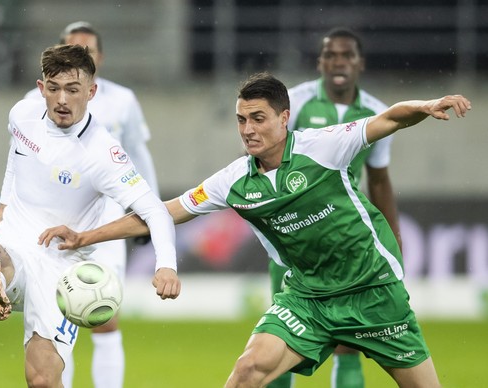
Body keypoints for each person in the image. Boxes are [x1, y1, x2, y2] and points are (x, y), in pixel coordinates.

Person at [39, 72, 471, 387]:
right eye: (241, 119)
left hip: (373, 292)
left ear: (285, 118)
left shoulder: (323, 146)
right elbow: (161, 211)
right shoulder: (234, 181)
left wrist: (427, 107)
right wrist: (85, 236)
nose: (248, 129)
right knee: (246, 372)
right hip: (309, 299)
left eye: (259, 118)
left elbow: (388, 120)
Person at [0, 44, 180, 388]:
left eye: (73, 90)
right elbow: (15, 153)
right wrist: (5, 202)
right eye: (54, 88)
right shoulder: (21, 115)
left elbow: (154, 209)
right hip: (15, 247)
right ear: (40, 88)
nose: (62, 99)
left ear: (91, 92)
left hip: (60, 270)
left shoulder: (103, 153)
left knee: (42, 381)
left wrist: (166, 263)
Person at [21, 21, 160, 388]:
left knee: (101, 313)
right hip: (56, 219)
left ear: (99, 58)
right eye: (73, 48)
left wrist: (148, 210)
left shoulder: (122, 100)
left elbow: (139, 156)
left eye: (89, 50)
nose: (82, 54)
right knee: (58, 312)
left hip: (108, 217)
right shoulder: (36, 103)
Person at [267, 27, 401, 388]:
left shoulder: (375, 112)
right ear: (320, 62)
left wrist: (394, 243)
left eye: (346, 55)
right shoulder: (294, 103)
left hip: (344, 238)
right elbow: (259, 156)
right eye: (331, 55)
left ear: (360, 63)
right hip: (295, 236)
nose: (338, 62)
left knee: (348, 341)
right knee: (281, 339)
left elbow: (379, 181)